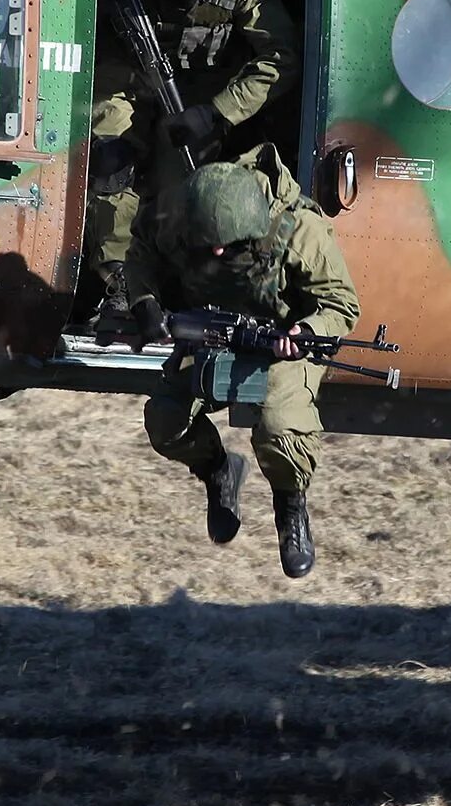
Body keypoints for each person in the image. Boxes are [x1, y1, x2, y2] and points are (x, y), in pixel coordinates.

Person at [122, 144, 359, 578]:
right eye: (205, 244)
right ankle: (219, 472)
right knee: (165, 421)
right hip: (209, 335)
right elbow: (141, 253)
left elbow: (341, 305)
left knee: (280, 433)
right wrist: (145, 302)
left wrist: (305, 333)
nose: (214, 254)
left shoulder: (297, 230)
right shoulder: (177, 213)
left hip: (280, 341)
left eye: (225, 246)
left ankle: (290, 506)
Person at [84, 0, 299, 321]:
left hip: (197, 93)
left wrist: (216, 112)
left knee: (183, 187)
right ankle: (120, 285)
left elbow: (282, 55)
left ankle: (180, 292)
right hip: (124, 74)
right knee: (112, 162)